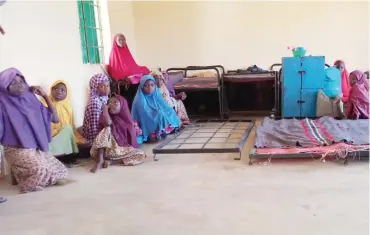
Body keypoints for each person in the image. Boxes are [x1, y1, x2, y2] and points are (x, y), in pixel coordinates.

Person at [0, 68, 69, 193]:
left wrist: (44, 95)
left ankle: (25, 173)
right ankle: (26, 184)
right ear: (4, 85)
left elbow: (55, 119)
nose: (19, 84)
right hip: (15, 149)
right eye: (13, 82)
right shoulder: (2, 103)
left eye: (21, 80)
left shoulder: (30, 99)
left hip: (33, 148)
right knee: (40, 170)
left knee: (61, 170)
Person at [90, 95, 146, 173]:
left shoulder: (128, 122)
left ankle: (112, 162)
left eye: (115, 103)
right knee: (107, 128)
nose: (111, 105)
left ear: (122, 105)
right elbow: (108, 123)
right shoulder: (106, 116)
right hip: (106, 151)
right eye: (109, 103)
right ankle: (100, 160)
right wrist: (105, 111)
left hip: (120, 151)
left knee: (141, 154)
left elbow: (132, 142)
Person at [42, 80, 86, 163]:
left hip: (63, 134)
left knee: (68, 129)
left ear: (67, 93)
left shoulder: (68, 106)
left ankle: (66, 156)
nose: (58, 92)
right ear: (51, 90)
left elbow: (71, 125)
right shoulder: (44, 104)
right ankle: (62, 156)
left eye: (62, 90)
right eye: (55, 89)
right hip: (50, 136)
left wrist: (74, 136)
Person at [131, 75, 181, 142]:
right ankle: (155, 132)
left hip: (157, 114)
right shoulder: (139, 99)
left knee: (170, 111)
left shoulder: (156, 94)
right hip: (148, 119)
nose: (149, 87)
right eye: (146, 85)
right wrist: (157, 112)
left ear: (155, 86)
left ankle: (164, 129)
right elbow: (143, 114)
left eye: (152, 85)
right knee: (158, 114)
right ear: (142, 87)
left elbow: (163, 105)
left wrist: (166, 110)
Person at [108, 33, 150, 109]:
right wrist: (126, 76)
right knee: (132, 86)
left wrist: (133, 74)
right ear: (115, 41)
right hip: (123, 82)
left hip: (131, 77)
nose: (122, 41)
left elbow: (132, 66)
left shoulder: (126, 51)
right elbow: (114, 70)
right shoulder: (113, 54)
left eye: (123, 39)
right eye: (119, 40)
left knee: (145, 74)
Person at [82, 73, 110, 146]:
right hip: (93, 134)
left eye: (107, 85)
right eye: (102, 86)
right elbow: (94, 125)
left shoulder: (103, 97)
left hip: (101, 125)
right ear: (95, 88)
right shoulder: (95, 103)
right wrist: (96, 143)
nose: (106, 88)